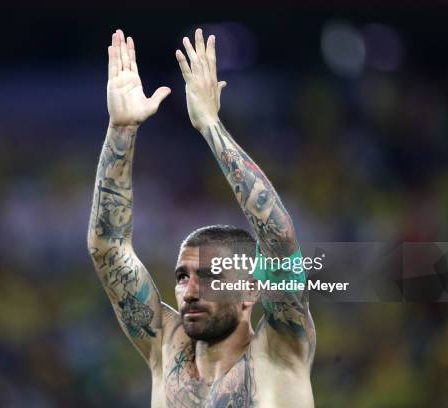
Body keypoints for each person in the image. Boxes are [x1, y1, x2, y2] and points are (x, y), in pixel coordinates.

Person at [87, 28, 315, 407]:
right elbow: (108, 248)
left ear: (250, 290)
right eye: (183, 276)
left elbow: (279, 241)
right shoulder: (165, 345)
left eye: (211, 276)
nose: (190, 291)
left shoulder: (279, 350)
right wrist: (121, 130)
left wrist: (211, 125)